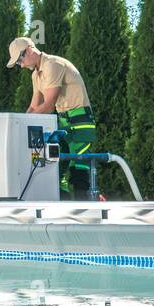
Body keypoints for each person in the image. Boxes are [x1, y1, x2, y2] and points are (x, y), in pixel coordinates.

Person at [7, 36, 96, 199]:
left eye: (20, 60)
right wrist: (17, 127)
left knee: (79, 167)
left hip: (80, 119)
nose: (21, 65)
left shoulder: (52, 65)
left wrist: (23, 125)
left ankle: (86, 213)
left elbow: (48, 106)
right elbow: (33, 107)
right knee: (55, 167)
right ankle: (62, 214)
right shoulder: (36, 75)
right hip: (63, 121)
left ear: (29, 50)